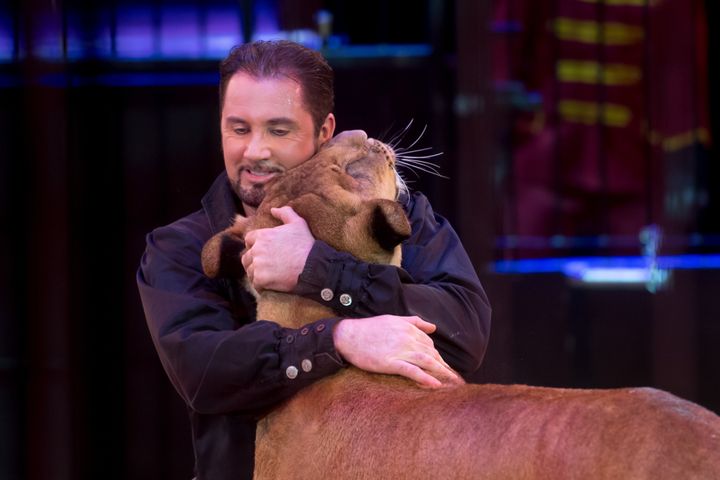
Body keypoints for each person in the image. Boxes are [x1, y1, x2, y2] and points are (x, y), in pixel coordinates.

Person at [137, 40, 491, 480]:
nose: (255, 151)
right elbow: (205, 372)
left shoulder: (395, 207)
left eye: (278, 130)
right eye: (239, 129)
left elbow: (466, 332)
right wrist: (339, 338)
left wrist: (315, 268)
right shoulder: (182, 246)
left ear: (324, 132)